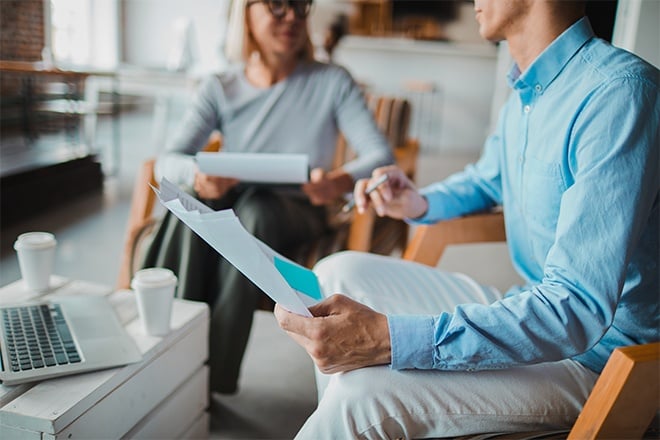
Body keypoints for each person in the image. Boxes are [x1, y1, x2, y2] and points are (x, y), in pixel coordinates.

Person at [274, 0, 659, 437]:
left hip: (604, 359)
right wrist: (416, 203)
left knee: (362, 401)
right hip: (536, 304)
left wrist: (389, 339)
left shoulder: (620, 95)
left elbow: (577, 308)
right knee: (337, 271)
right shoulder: (528, 94)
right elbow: (487, 179)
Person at [141, 0, 394, 395]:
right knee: (193, 205)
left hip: (300, 209)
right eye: (277, 5)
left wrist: (338, 181)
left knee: (253, 212)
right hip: (236, 203)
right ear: (246, 14)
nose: (291, 16)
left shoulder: (332, 81)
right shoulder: (219, 87)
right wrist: (198, 176)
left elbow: (381, 156)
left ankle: (210, 381)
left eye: (299, 6)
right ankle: (169, 360)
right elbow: (165, 163)